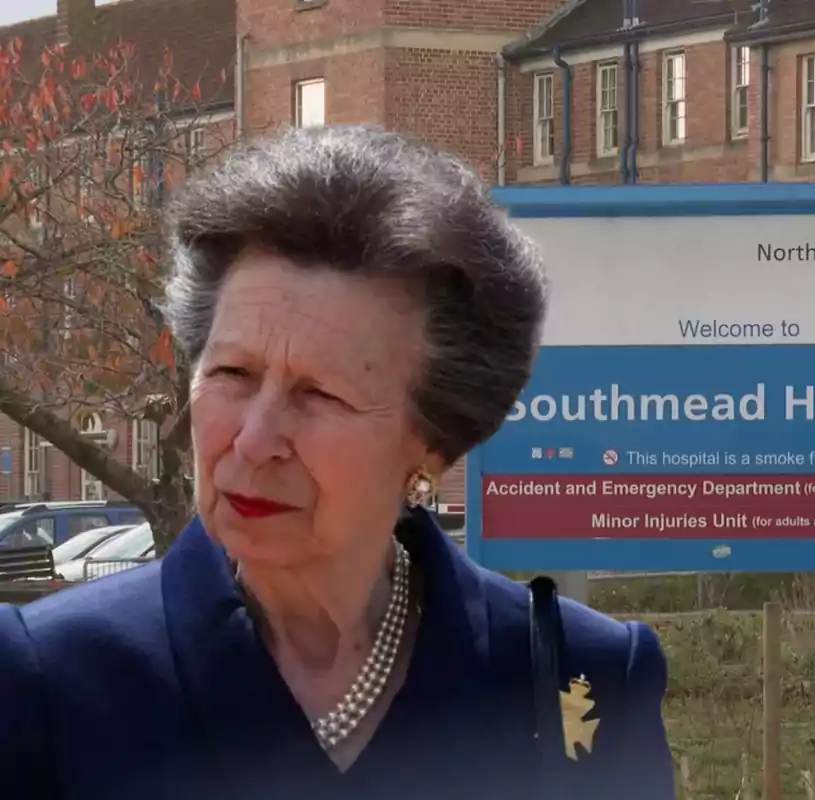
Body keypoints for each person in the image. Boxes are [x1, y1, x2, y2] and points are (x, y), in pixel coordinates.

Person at [0, 126, 675, 800]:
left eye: (320, 395)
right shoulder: (46, 678)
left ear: (432, 443)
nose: (256, 438)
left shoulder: (575, 680)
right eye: (233, 372)